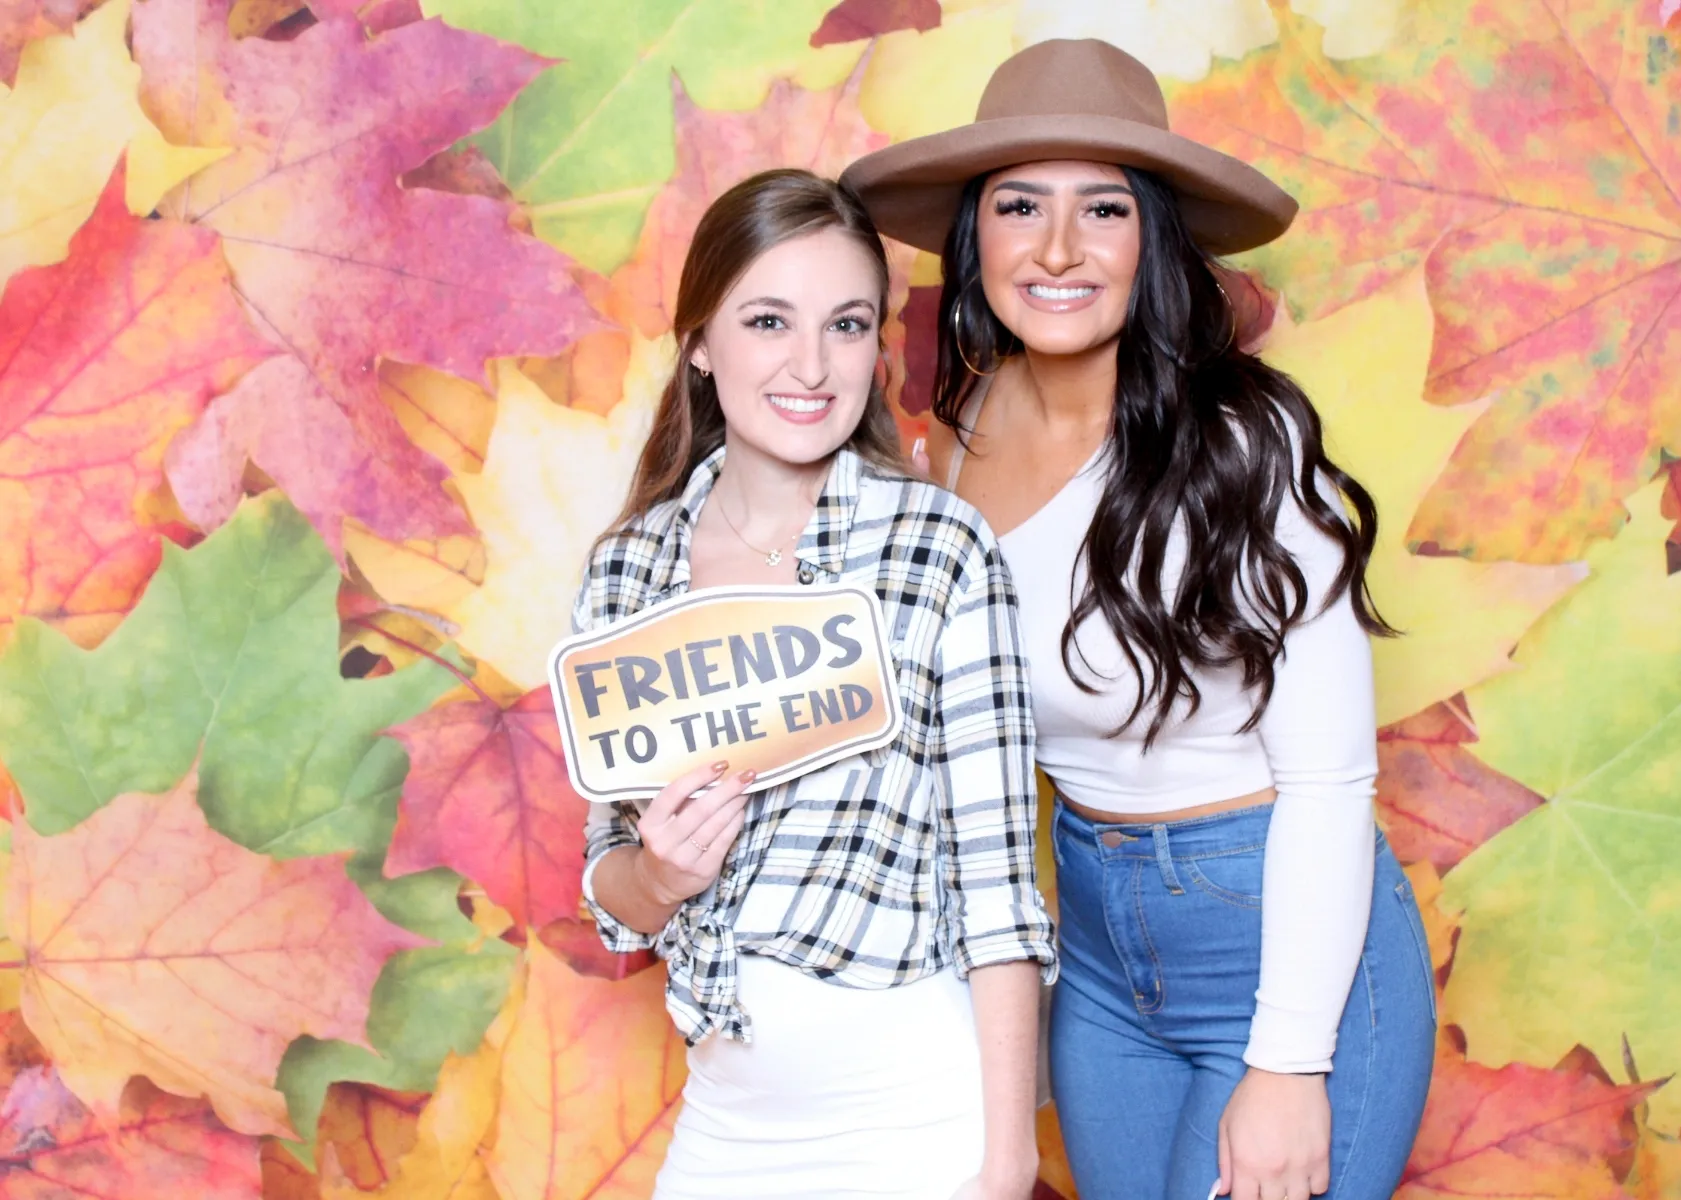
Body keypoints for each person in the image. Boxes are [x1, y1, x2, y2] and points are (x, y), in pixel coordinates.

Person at [844, 39, 1436, 1200]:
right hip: (1099, 960)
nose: (1059, 248)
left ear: (1150, 240)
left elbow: (1330, 781)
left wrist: (1288, 1063)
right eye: (1020, 205)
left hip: (1276, 934)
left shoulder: (1245, 447)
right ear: (974, 238)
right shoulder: (950, 442)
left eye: (1103, 209)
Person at [570, 168, 1056, 1200]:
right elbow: (612, 879)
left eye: (846, 325)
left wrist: (1006, 1157)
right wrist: (660, 877)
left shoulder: (938, 549)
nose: (810, 364)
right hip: (727, 1123)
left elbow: (999, 886)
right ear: (701, 342)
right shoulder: (628, 572)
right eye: (768, 321)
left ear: (875, 347)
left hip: (915, 1121)